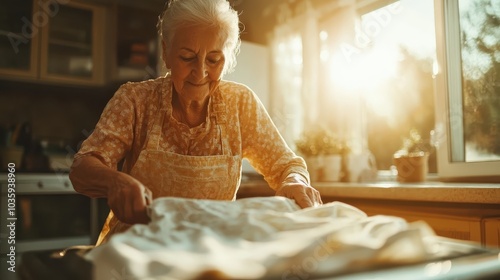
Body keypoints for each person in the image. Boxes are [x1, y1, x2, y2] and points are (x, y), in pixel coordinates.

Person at [69, 0, 322, 245]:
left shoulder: (240, 104)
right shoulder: (134, 101)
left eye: (213, 60)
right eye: (187, 57)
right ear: (166, 52)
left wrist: (295, 182)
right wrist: (115, 182)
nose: (200, 73)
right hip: (136, 254)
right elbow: (82, 168)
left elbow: (286, 165)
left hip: (210, 254)